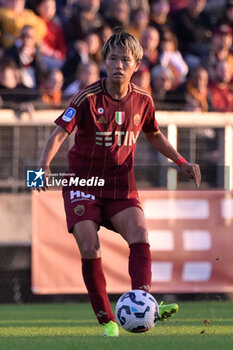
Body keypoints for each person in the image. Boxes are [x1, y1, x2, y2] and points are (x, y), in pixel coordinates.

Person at [38, 31, 201, 337]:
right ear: (104, 62)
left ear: (137, 65)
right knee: (90, 245)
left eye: (125, 59)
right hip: (83, 183)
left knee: (140, 233)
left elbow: (154, 134)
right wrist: (44, 166)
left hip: (120, 186)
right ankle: (108, 321)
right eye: (112, 58)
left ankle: (145, 303)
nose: (118, 64)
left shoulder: (143, 100)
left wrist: (182, 162)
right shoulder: (88, 97)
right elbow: (59, 132)